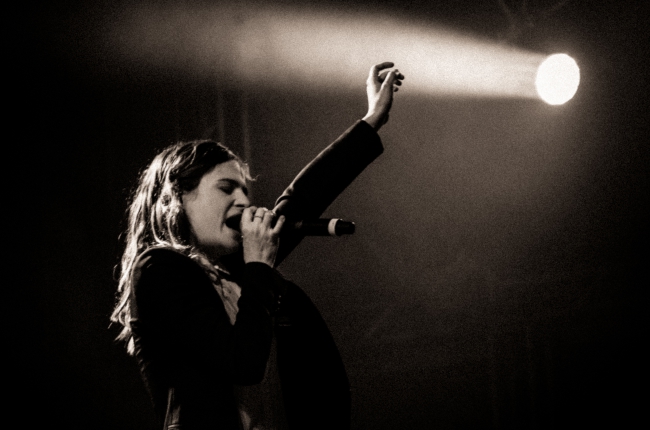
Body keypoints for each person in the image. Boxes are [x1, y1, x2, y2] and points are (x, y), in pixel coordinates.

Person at [111, 62, 404, 429]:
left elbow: (299, 200)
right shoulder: (158, 269)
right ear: (177, 197)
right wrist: (259, 267)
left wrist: (371, 120)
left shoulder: (240, 274)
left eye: (246, 191)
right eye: (226, 188)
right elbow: (242, 362)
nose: (244, 202)